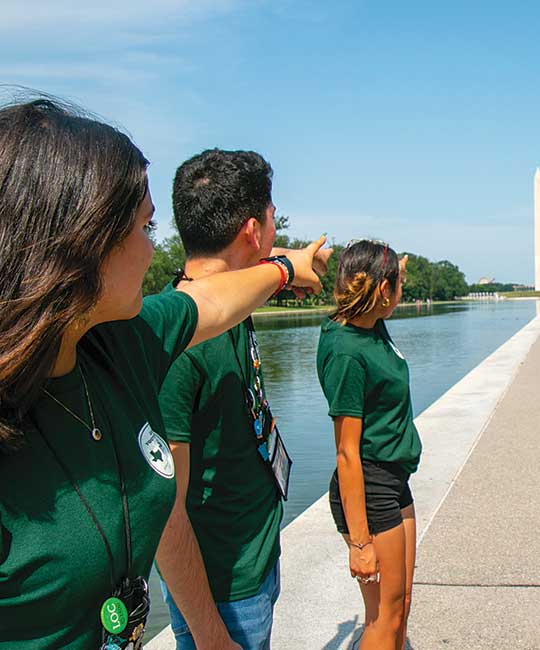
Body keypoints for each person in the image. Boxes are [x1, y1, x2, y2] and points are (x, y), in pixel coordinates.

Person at [0, 99, 326, 649]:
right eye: (144, 228)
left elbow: (215, 303)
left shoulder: (121, 341)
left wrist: (283, 267)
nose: (155, 249)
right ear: (83, 241)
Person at [155, 149, 330, 649]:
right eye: (274, 220)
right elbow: (165, 515)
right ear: (253, 231)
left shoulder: (227, 302)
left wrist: (296, 267)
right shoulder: (180, 349)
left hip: (253, 561)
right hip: (222, 593)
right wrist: (211, 635)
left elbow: (260, 275)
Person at [317, 240, 418, 650]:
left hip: (395, 479)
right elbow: (346, 452)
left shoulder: (372, 324)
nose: (400, 294)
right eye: (397, 287)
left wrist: (395, 267)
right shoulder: (346, 351)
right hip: (369, 484)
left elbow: (374, 287)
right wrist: (360, 544)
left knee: (402, 604)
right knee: (383, 617)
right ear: (381, 291)